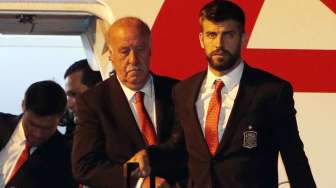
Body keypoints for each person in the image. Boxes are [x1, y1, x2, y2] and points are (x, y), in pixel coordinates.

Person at [128, 1, 316, 188]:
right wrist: (150, 154)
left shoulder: (271, 91)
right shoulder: (183, 91)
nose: (219, 43)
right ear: (201, 39)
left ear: (243, 39)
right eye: (212, 35)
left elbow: (294, 158)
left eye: (228, 35)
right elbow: (178, 146)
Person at [72, 17, 184, 188]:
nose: (133, 59)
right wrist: (138, 183)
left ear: (150, 50)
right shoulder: (93, 101)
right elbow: (84, 167)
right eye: (124, 51)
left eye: (140, 49)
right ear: (110, 54)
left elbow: (187, 148)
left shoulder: (179, 92)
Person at [0, 80, 77, 188]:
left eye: (47, 128)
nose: (38, 134)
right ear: (23, 106)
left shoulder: (66, 159)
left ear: (62, 115)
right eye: (32, 124)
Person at [61, 59, 102, 146]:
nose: (69, 104)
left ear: (97, 90)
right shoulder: (72, 132)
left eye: (74, 94)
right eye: (68, 96)